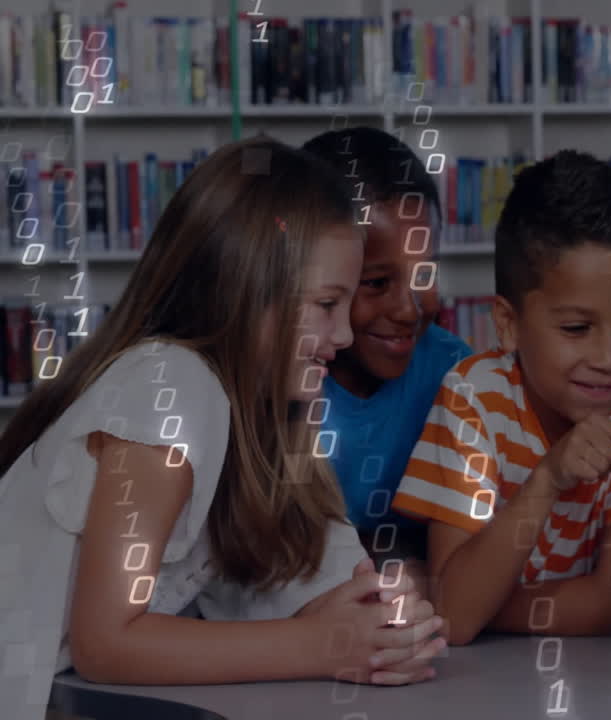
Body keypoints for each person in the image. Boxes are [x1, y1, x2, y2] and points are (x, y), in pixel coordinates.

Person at [0, 138, 444, 720]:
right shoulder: (169, 385)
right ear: (247, 290)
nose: (342, 336)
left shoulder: (268, 414)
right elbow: (108, 642)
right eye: (326, 304)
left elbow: (331, 593)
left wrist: (384, 622)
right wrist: (326, 645)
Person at [392, 150, 611, 644]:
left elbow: (609, 603)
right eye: (577, 328)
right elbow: (455, 618)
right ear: (508, 325)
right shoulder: (472, 398)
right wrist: (547, 481)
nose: (610, 357)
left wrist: (479, 604)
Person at [301, 127, 471, 593]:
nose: (407, 308)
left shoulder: (456, 375)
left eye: (425, 272)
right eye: (376, 282)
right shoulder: (286, 380)